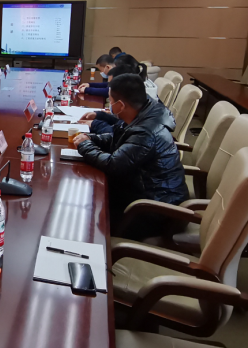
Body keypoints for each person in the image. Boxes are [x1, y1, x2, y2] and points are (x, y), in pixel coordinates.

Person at [72, 74, 188, 239]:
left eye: (110, 101)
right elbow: (121, 141)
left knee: (86, 221)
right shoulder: (143, 114)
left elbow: (114, 165)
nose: (109, 106)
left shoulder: (146, 131)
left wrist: (85, 146)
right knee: (90, 200)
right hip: (144, 193)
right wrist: (92, 139)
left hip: (155, 210)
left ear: (120, 105)